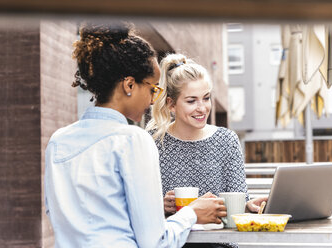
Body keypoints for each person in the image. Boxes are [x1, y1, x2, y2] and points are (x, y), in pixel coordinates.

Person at [44, 23, 227, 248]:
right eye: (152, 89)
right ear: (129, 85)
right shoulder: (132, 140)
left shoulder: (57, 141)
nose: (152, 100)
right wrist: (192, 213)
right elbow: (156, 242)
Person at [146, 53, 268, 248]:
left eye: (206, 98)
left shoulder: (226, 140)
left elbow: (238, 200)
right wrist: (161, 206)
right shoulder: (152, 141)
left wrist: (248, 206)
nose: (202, 108)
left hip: (219, 244)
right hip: (173, 242)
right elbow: (140, 207)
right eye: (191, 101)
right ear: (171, 104)